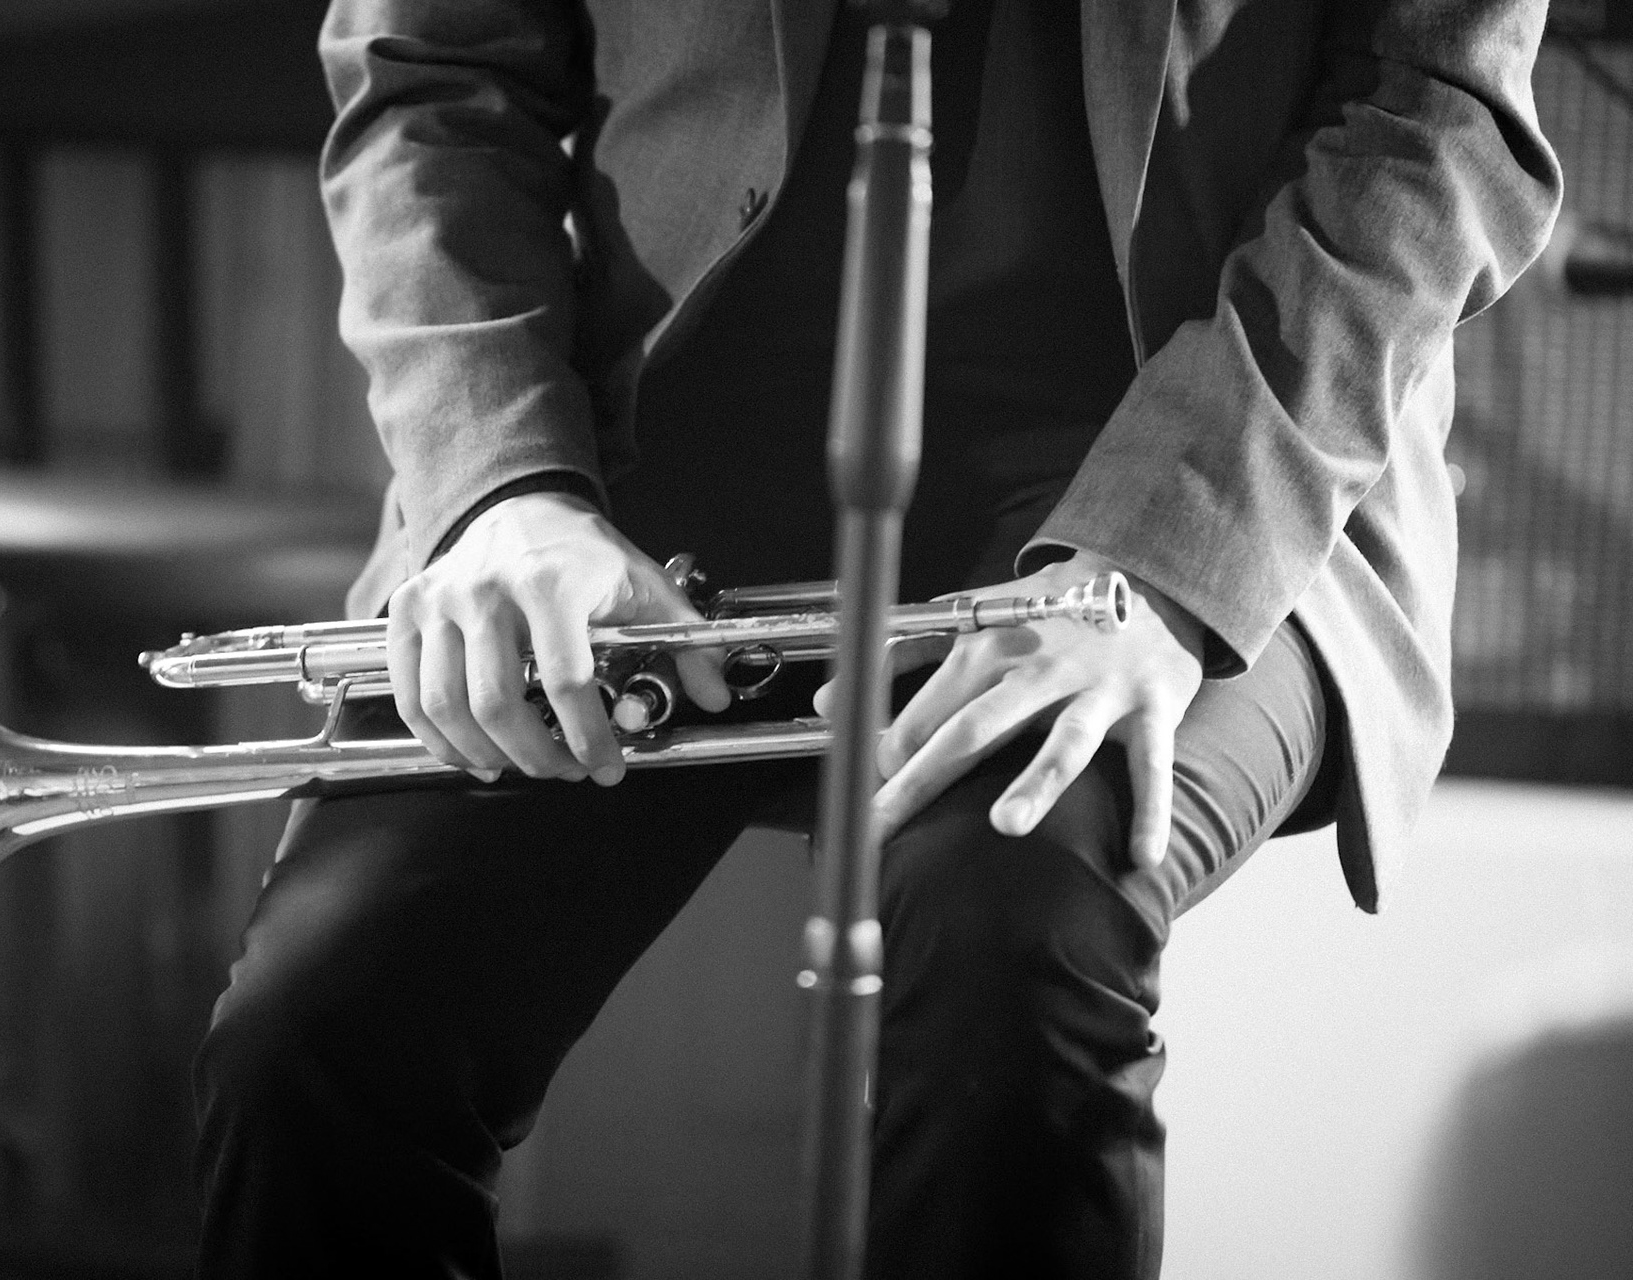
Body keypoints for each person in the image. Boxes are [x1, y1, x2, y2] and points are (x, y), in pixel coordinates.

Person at [192, 1, 1560, 1276]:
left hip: (1196, 443)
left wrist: (1166, 552)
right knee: (318, 1031)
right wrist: (502, 483)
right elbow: (433, 74)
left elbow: (1433, 112)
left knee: (1014, 940)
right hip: (644, 467)